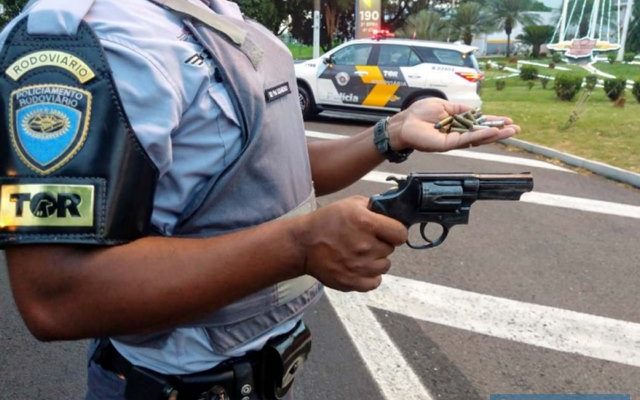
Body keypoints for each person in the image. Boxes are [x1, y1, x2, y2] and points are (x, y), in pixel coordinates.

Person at [0, 0, 519, 399]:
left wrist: (393, 132)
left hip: (269, 371)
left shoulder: (223, 19)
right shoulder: (89, 39)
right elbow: (55, 297)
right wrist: (299, 245)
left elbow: (270, 168)